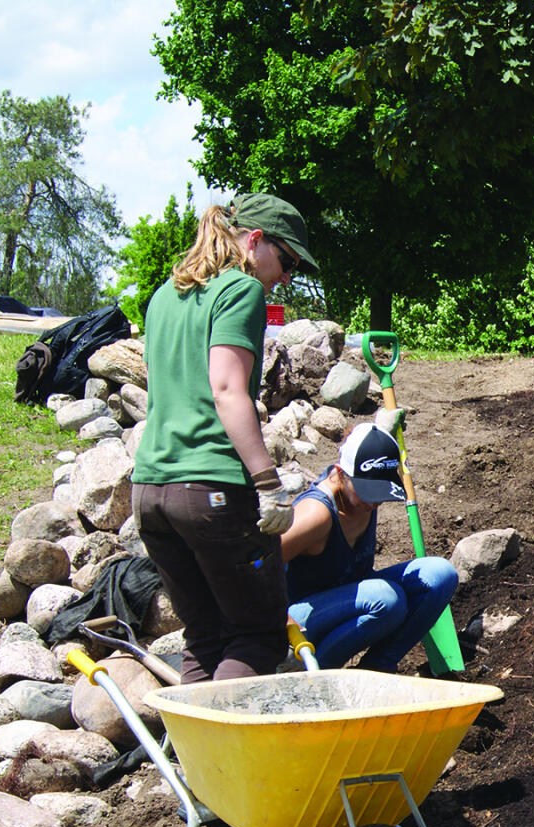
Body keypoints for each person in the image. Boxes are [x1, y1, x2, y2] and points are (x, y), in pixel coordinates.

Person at [132, 193, 318, 682]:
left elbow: (159, 384)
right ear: (255, 241)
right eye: (287, 261)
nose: (286, 277)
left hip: (151, 491)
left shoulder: (163, 296)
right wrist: (267, 483)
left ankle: (195, 761)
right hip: (211, 489)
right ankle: (232, 760)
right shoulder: (240, 290)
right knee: (257, 636)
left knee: (206, 638)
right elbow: (227, 389)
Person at [281, 421, 460, 672]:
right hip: (299, 622)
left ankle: (377, 669)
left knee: (440, 574)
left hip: (349, 600)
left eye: (380, 493)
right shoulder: (316, 515)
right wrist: (280, 616)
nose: (374, 502)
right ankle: (321, 675)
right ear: (340, 473)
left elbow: (366, 443)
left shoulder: (358, 495)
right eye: (368, 492)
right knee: (386, 600)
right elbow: (256, 567)